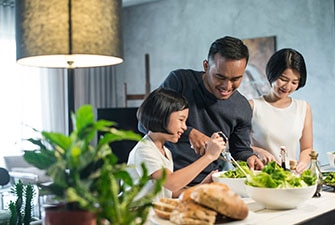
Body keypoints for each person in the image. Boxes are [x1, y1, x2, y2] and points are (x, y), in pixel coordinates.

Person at [159, 36, 264, 186]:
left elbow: (240, 150)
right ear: (206, 66)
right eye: (220, 77)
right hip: (167, 181)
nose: (227, 86)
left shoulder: (242, 106)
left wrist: (249, 158)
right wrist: (189, 133)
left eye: (235, 79)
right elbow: (145, 123)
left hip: (208, 183)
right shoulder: (180, 81)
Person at [127, 88, 225, 200]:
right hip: (135, 214)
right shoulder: (144, 150)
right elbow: (172, 183)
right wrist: (209, 156)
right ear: (161, 115)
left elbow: (171, 192)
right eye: (181, 120)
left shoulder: (165, 151)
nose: (184, 127)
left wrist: (202, 186)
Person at [249, 48, 313, 174]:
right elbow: (235, 146)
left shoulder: (303, 108)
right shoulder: (252, 106)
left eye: (294, 82)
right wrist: (258, 151)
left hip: (290, 177)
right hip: (259, 176)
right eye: (283, 79)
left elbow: (307, 148)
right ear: (272, 73)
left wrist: (303, 163)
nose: (288, 87)